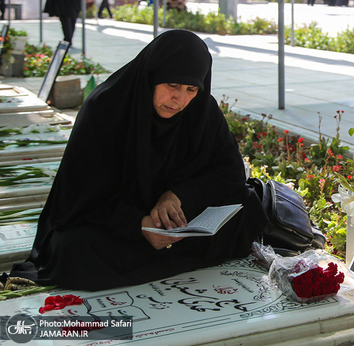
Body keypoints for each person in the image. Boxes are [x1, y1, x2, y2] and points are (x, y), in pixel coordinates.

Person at [8, 30, 267, 291]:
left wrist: (178, 196)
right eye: (172, 85)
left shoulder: (201, 110)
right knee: (73, 248)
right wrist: (138, 225)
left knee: (248, 207)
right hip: (118, 222)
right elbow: (80, 197)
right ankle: (175, 255)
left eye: (191, 89)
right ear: (152, 76)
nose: (179, 99)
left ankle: (159, 256)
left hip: (177, 221)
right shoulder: (105, 109)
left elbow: (229, 172)